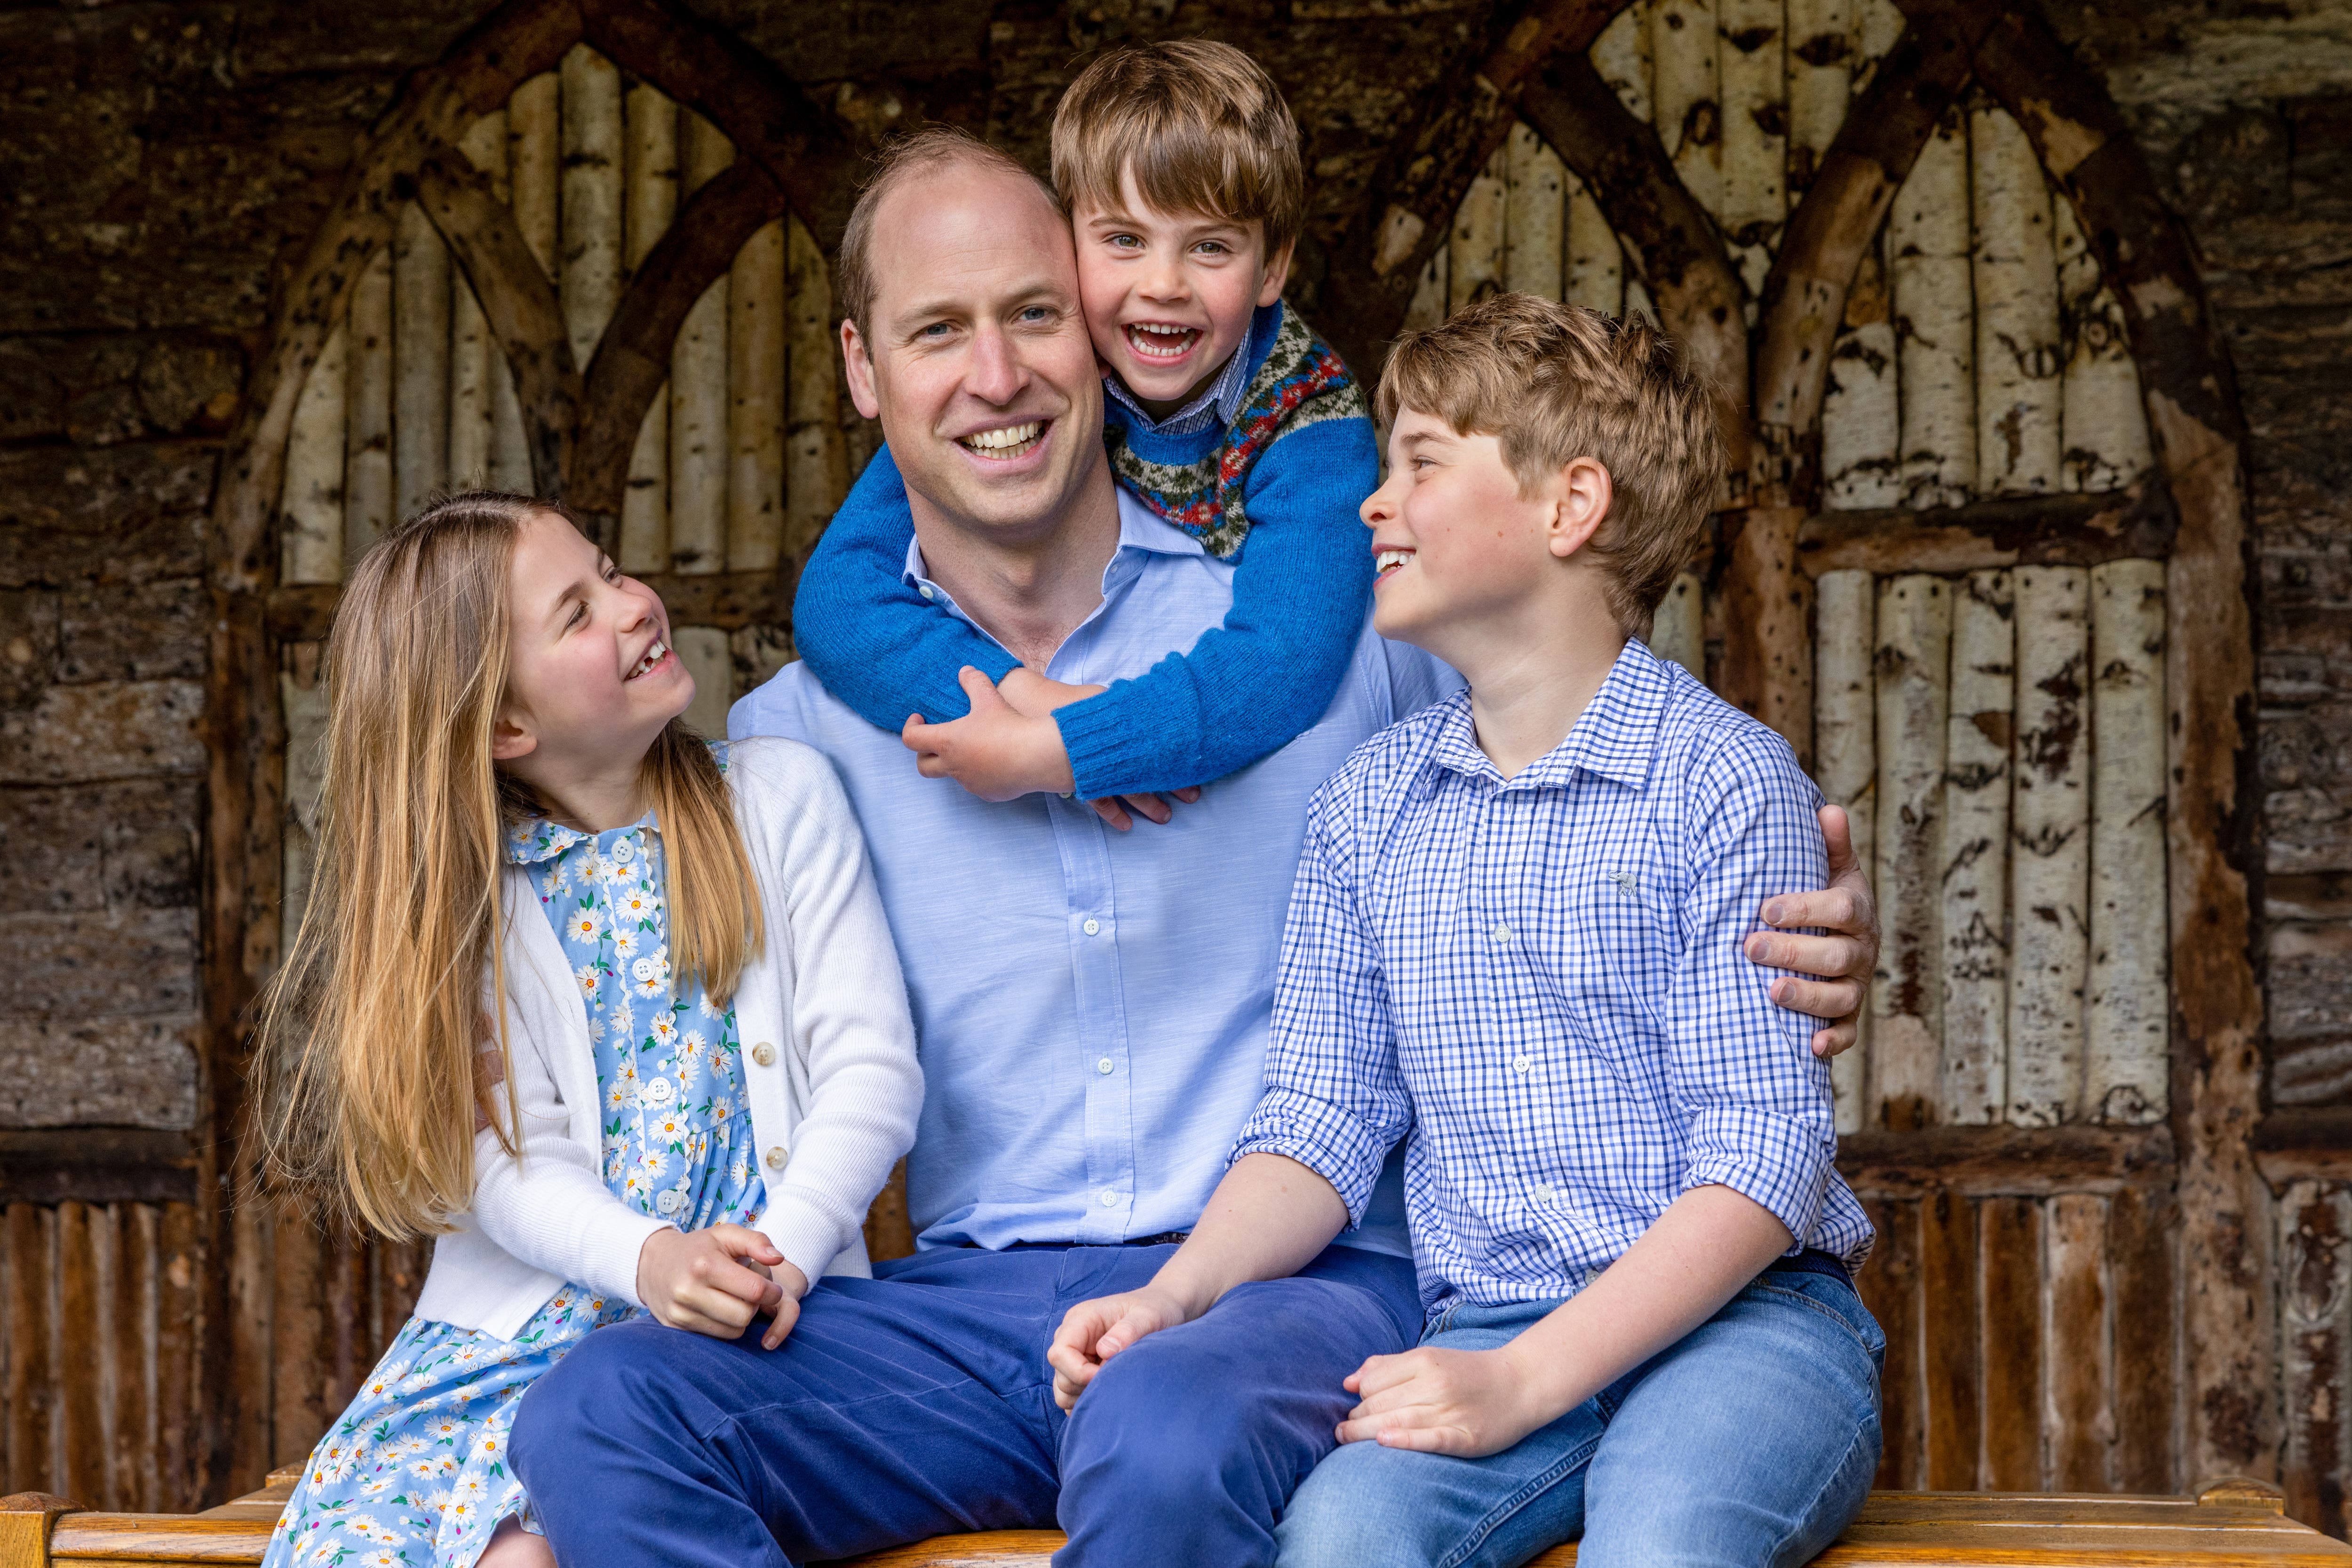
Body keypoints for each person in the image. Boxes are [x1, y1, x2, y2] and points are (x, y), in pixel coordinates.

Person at [508, 134, 1882, 1568]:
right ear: (864, 370)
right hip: (980, 1308)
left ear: (1102, 334)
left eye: (1036, 314)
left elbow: (1577, 716)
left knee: (1167, 1430)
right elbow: (561, 916)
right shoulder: (804, 740)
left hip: (1300, 1292)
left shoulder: (1325, 643)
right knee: (599, 1412)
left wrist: (1804, 916)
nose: (997, 375)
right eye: (937, 332)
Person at [1048, 295, 1883, 1568]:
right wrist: (1176, 1291)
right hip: (1487, 1317)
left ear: (1571, 505)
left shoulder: (1721, 780)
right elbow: (1318, 1125)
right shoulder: (1371, 806)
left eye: (1422, 463)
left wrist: (1527, 1382)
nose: (1374, 503)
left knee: (1662, 1546)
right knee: (1341, 1538)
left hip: (1747, 1324)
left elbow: (1764, 1157)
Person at [249, 492, 921, 1568]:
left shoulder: (778, 799)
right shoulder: (479, 901)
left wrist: (782, 1255)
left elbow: (871, 1070)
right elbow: (506, 1161)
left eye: (609, 569)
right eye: (576, 612)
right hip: (513, 1346)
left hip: (750, 1332)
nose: (632, 602)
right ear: (509, 725)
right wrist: (646, 1258)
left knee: (536, 1553)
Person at [792, 40, 1374, 816]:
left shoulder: (1313, 420)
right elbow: (835, 600)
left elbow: (1286, 662)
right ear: (1070, 245)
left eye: (1209, 247)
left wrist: (1072, 748)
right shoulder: (1063, 367)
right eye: (1124, 241)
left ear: (1271, 270)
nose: (1162, 286)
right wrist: (1018, 696)